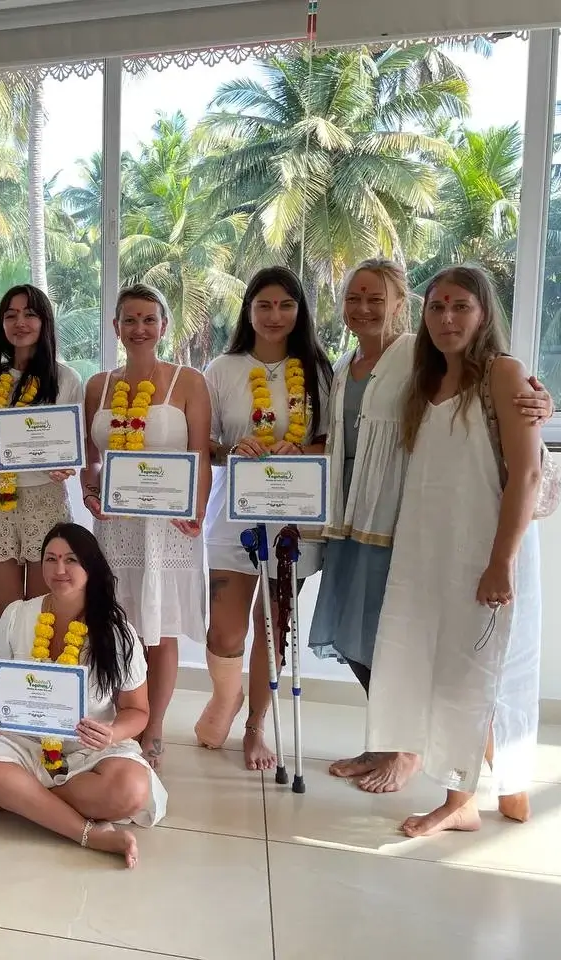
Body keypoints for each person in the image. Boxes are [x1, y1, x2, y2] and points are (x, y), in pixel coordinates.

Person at [308, 259, 553, 793]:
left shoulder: (419, 357)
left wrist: (542, 403)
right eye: (354, 297)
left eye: (378, 297)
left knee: (402, 642)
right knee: (363, 637)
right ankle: (390, 741)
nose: (364, 307)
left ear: (400, 304)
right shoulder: (374, 366)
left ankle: (411, 753)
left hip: (397, 522)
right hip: (357, 518)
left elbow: (523, 461)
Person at [365, 266, 543, 837]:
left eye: (460, 306)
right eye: (437, 306)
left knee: (471, 669)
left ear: (484, 313)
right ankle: (472, 779)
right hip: (427, 551)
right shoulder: (427, 382)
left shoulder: (503, 373)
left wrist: (501, 562)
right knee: (434, 668)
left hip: (482, 552)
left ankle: (460, 799)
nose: (446, 318)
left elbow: (528, 475)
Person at [0, 523, 167, 869]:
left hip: (91, 748)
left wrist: (111, 734)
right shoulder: (17, 615)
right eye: (51, 559)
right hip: (25, 741)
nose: (59, 570)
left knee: (131, 791)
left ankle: (24, 800)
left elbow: (138, 711)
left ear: (91, 566)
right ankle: (88, 833)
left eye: (71, 560)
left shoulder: (118, 632)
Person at [196, 267, 332, 770]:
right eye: (264, 306)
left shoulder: (319, 370)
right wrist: (234, 447)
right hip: (233, 516)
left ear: (300, 311)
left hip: (295, 517)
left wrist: (304, 447)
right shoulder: (222, 369)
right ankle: (225, 698)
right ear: (248, 310)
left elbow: (333, 442)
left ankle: (255, 727)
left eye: (286, 305)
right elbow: (203, 444)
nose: (275, 316)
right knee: (225, 632)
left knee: (274, 626)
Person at [80, 284, 210, 769]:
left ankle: (152, 729)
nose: (139, 329)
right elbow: (91, 462)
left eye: (148, 319)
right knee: (117, 624)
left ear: (163, 326)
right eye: (129, 320)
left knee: (161, 628)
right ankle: (119, 720)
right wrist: (91, 494)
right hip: (115, 526)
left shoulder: (189, 382)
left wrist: (195, 509)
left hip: (169, 526)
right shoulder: (98, 386)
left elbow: (201, 456)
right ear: (116, 327)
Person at [0, 285, 83, 621]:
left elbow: (73, 449)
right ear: (1, 325)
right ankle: (4, 672)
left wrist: (65, 466)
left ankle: (41, 675)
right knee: (6, 616)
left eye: (29, 314)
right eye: (10, 315)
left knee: (42, 612)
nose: (20, 322)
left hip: (45, 502)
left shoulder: (66, 379)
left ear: (44, 321)